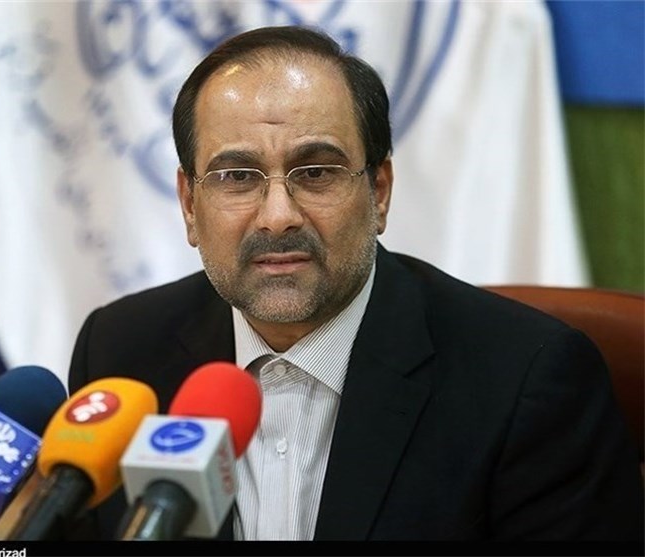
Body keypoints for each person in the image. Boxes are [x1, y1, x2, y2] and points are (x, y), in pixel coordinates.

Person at [66, 25, 644, 542]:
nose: (277, 216)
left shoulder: (527, 379)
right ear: (190, 205)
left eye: (316, 172)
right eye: (237, 176)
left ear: (379, 191)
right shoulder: (121, 353)